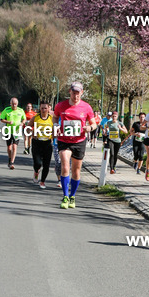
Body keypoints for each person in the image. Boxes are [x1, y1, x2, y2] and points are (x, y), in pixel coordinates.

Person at [53, 81, 96, 209]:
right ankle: (65, 196)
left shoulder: (86, 107)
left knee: (76, 170)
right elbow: (55, 117)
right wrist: (56, 126)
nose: (75, 95)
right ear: (69, 92)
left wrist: (89, 127)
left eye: (78, 93)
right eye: (73, 93)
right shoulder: (61, 106)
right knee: (65, 165)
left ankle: (72, 196)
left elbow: (94, 123)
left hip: (79, 141)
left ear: (81, 93)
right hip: (64, 140)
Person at [30, 101, 54, 188]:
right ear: (40, 109)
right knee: (37, 163)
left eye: (45, 108)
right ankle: (36, 171)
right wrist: (32, 132)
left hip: (47, 143)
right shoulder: (35, 117)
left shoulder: (51, 118)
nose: (43, 110)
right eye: (42, 108)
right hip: (37, 142)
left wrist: (54, 136)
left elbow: (55, 129)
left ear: (48, 109)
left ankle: (42, 181)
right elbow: (28, 127)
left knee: (46, 164)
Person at [0, 97, 26, 169]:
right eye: (13, 104)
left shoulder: (21, 110)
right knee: (9, 147)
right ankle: (9, 158)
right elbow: (1, 119)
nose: (14, 105)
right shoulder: (7, 110)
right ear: (10, 104)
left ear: (17, 104)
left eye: (15, 104)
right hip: (8, 131)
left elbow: (24, 118)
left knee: (14, 147)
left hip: (17, 131)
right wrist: (8, 122)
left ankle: (12, 162)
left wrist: (22, 123)